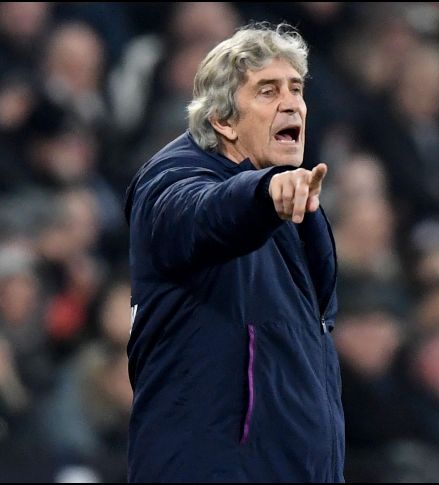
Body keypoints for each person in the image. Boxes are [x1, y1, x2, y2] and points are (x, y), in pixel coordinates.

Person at [123, 23, 344, 482]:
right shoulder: (173, 177)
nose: (290, 103)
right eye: (267, 91)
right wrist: (262, 194)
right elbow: (205, 214)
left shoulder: (294, 204)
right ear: (222, 120)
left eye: (296, 88)